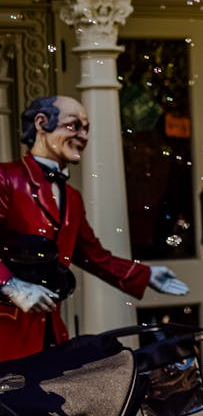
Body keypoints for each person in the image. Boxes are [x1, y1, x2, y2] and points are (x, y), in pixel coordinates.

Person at [0, 95, 189, 363]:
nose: (83, 136)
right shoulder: (6, 179)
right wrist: (11, 285)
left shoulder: (72, 198)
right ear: (42, 123)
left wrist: (145, 275)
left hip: (49, 332)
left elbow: (94, 256)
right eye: (74, 126)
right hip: (6, 333)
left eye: (87, 128)